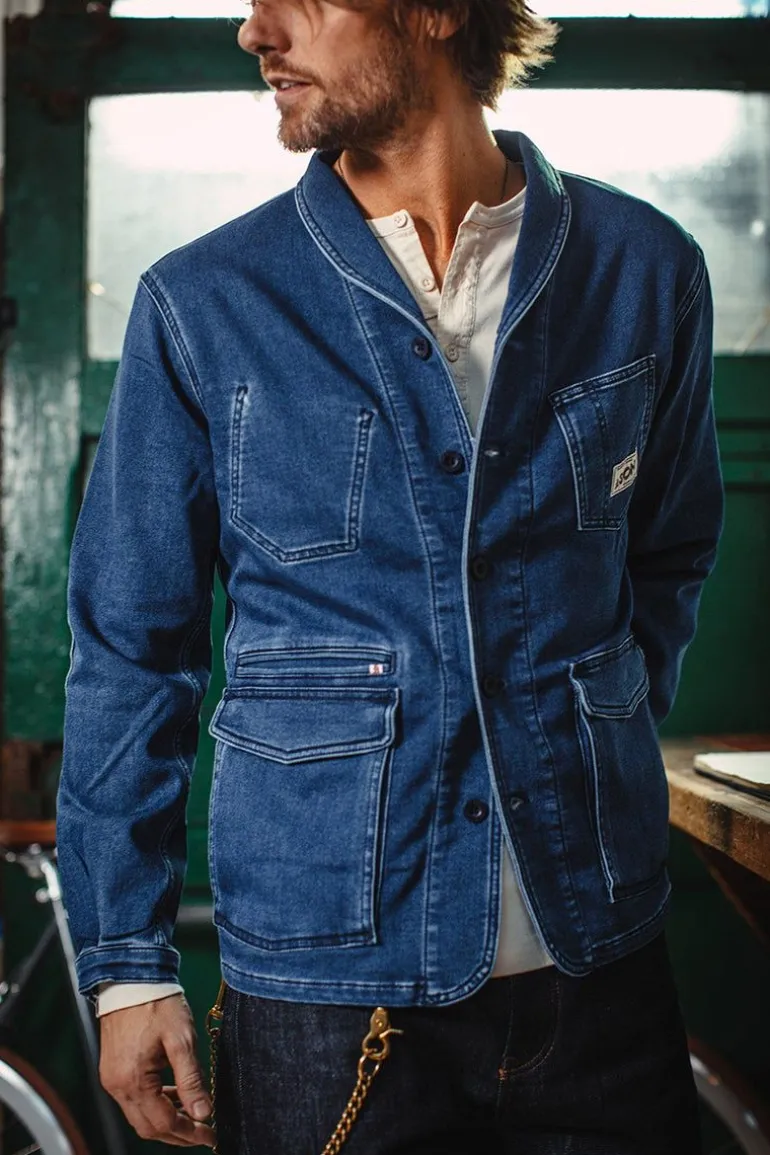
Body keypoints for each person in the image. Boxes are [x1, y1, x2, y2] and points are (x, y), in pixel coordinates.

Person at [56, 0, 725, 1151]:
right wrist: (128, 966)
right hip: (322, 984)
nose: (255, 32)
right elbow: (131, 648)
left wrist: (585, 732)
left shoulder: (640, 269)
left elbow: (663, 557)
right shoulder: (203, 302)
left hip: (596, 961)